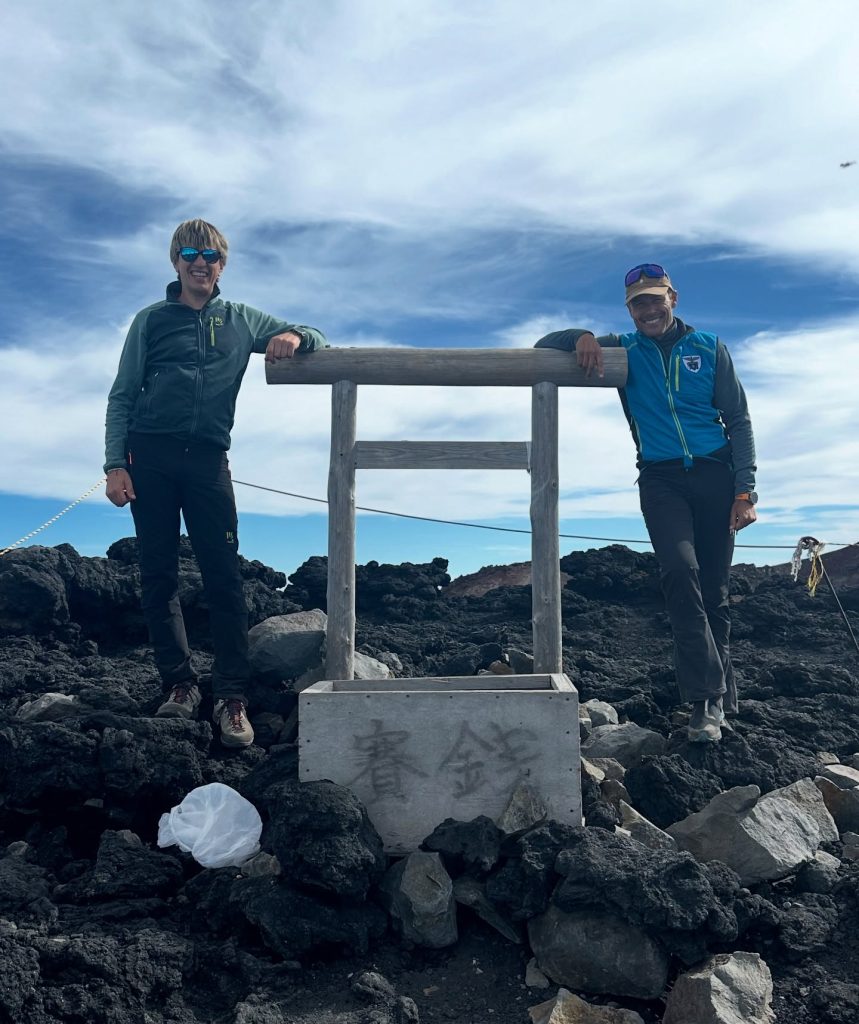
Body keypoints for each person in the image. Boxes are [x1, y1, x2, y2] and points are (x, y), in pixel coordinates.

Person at [104, 219, 327, 748]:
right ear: (175, 262)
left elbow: (314, 335)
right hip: (149, 457)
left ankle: (232, 697)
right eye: (188, 252)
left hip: (208, 461)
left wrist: (293, 336)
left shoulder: (242, 320)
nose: (199, 261)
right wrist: (116, 463)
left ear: (222, 264)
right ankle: (179, 686)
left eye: (210, 254)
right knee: (158, 578)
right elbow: (121, 394)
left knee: (224, 578)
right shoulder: (151, 321)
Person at [535, 263, 757, 743]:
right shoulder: (624, 349)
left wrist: (746, 490)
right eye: (639, 302)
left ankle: (720, 697)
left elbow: (737, 420)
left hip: (718, 476)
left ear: (673, 298)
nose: (649, 309)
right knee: (680, 574)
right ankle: (704, 704)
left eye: (656, 299)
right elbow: (541, 346)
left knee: (715, 592)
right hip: (660, 479)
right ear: (630, 309)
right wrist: (583, 336)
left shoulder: (709, 347)